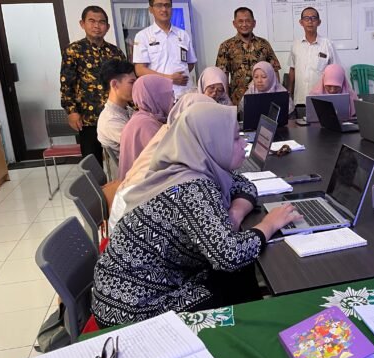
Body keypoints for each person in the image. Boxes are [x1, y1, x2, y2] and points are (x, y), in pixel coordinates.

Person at [92, 103, 301, 327]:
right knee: (232, 277)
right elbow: (229, 256)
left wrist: (235, 214)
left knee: (235, 275)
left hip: (126, 291)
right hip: (132, 310)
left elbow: (244, 184)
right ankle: (258, 335)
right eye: (234, 139)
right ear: (211, 143)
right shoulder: (192, 188)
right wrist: (269, 224)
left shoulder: (190, 166)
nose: (244, 144)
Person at [108, 93, 216, 232]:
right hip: (130, 224)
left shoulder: (170, 132)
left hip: (128, 214)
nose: (171, 100)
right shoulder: (178, 148)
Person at [60, 6, 125, 165]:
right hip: (87, 117)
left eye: (101, 22)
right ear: (82, 24)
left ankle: (119, 187)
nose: (97, 26)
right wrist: (71, 111)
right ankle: (97, 189)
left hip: (114, 115)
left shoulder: (115, 52)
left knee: (124, 156)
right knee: (92, 161)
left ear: (107, 27)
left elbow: (125, 82)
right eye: (92, 21)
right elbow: (66, 83)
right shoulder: (73, 50)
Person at [216, 7, 281, 105]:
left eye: (248, 21)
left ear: (254, 23)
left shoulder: (264, 44)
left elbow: (274, 71)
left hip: (263, 99)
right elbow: (222, 76)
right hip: (237, 100)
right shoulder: (226, 46)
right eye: (240, 21)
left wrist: (276, 95)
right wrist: (226, 101)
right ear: (234, 24)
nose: (244, 24)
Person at [132, 0, 197, 99]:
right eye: (159, 5)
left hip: (185, 94)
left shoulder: (183, 34)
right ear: (151, 9)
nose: (164, 9)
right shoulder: (143, 36)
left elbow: (190, 63)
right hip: (159, 97)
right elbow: (140, 70)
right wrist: (169, 78)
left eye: (167, 5)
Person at [118, 75, 173, 180]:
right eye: (169, 95)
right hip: (141, 187)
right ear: (156, 97)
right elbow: (165, 161)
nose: (173, 99)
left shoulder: (143, 117)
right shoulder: (146, 125)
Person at [288, 7, 339, 106]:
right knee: (299, 121)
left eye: (313, 18)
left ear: (319, 22)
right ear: (301, 22)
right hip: (300, 98)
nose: (310, 21)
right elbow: (292, 69)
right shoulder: (295, 45)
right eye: (306, 18)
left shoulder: (327, 44)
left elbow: (335, 71)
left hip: (322, 98)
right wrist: (289, 92)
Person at [97, 59, 136, 161]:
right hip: (132, 172)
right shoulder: (110, 120)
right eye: (132, 82)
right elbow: (143, 143)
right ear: (114, 84)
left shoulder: (127, 110)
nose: (136, 87)